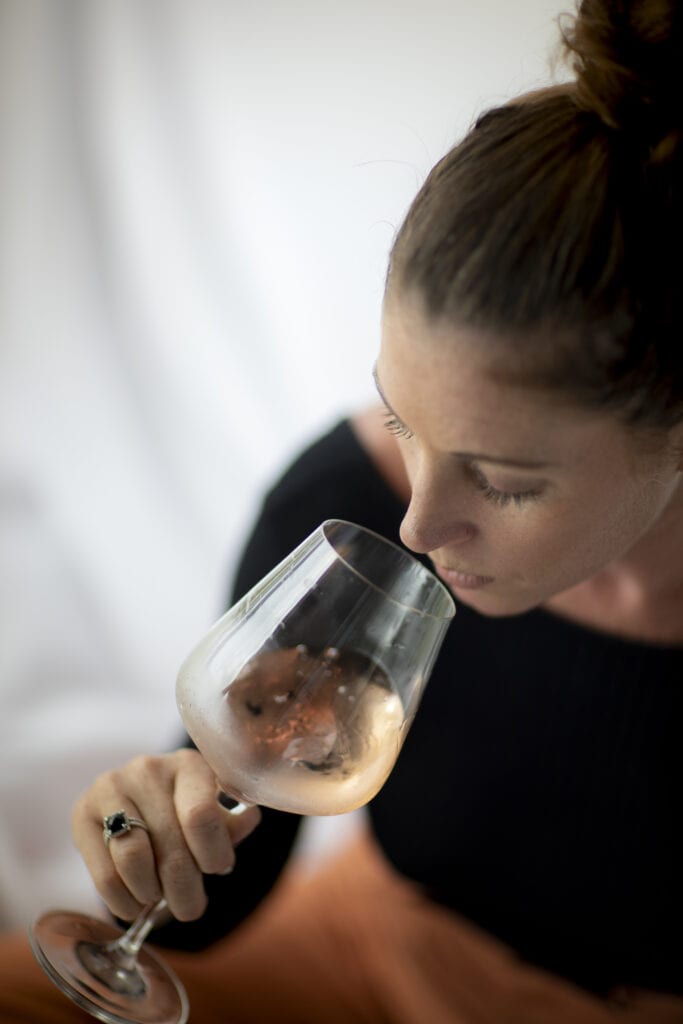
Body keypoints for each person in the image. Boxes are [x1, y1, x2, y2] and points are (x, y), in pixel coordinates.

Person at [2, 0, 683, 1020]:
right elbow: (227, 888)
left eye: (501, 479)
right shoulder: (340, 505)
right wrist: (160, 846)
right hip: (368, 960)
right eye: (403, 420)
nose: (414, 527)